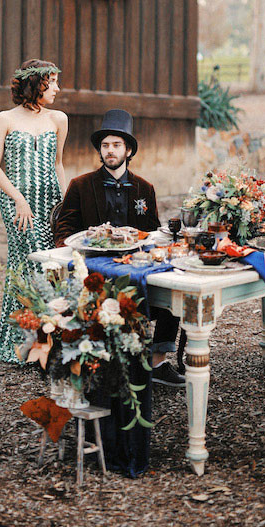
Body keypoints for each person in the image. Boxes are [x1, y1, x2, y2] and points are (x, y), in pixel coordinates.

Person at [54, 108, 184, 387]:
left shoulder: (144, 188)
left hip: (136, 266)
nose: (110, 151)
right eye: (105, 146)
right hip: (94, 271)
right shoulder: (80, 185)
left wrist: (142, 239)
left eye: (116, 145)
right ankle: (108, 363)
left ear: (128, 150)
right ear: (100, 151)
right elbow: (62, 231)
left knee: (176, 287)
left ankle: (158, 362)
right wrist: (84, 237)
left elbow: (152, 233)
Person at [0, 58, 68, 364]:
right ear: (36, 84)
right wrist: (19, 198)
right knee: (34, 264)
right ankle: (33, 344)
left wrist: (65, 204)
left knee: (49, 266)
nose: (58, 89)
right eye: (52, 82)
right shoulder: (4, 119)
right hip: (17, 203)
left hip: (49, 202)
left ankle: (40, 342)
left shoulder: (59, 119)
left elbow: (58, 163)